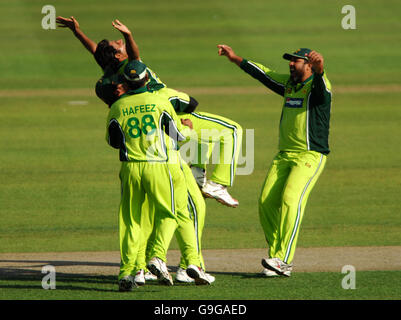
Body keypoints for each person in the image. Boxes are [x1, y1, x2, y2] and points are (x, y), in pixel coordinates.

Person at [56, 16, 242, 209]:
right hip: (170, 115)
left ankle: (197, 174)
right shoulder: (130, 67)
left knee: (202, 132)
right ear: (119, 56)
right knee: (231, 130)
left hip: (154, 126)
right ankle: (218, 184)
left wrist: (77, 32)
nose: (121, 42)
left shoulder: (112, 67)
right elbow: (133, 54)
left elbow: (96, 52)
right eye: (118, 44)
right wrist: (128, 35)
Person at [218, 44, 332, 277]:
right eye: (290, 60)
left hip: (310, 155)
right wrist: (234, 58)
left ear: (308, 65)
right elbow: (264, 74)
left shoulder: (318, 86)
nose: (291, 64)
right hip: (284, 155)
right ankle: (276, 257)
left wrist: (320, 70)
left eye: (296, 61)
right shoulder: (290, 85)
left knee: (291, 199)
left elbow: (321, 87)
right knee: (266, 203)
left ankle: (284, 260)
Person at [106, 60, 211, 291]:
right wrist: (187, 128)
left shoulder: (117, 106)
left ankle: (127, 272)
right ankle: (157, 256)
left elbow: (114, 141)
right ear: (147, 80)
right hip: (159, 165)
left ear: (126, 82)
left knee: (131, 221)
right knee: (170, 213)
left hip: (130, 167)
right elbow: (177, 135)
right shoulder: (159, 101)